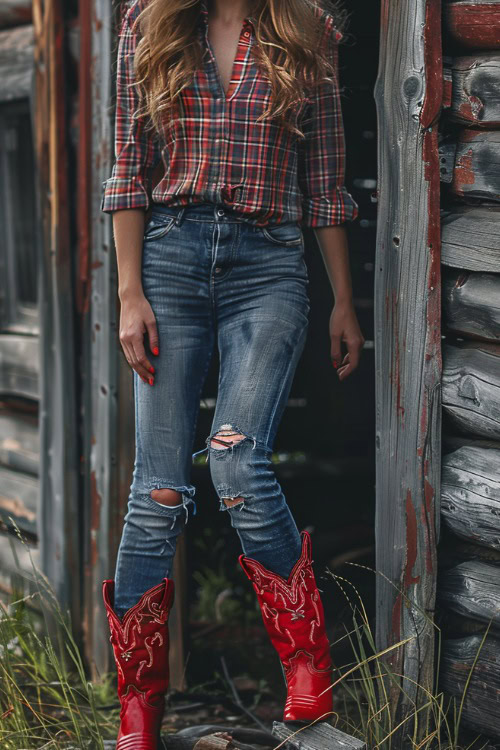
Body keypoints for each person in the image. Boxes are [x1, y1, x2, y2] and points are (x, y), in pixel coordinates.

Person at [100, 0, 364, 747]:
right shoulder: (146, 24)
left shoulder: (310, 29)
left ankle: (308, 669)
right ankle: (138, 710)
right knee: (157, 491)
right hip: (170, 261)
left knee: (237, 458)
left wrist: (344, 299)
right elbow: (128, 168)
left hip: (269, 265)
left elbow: (327, 180)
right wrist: (129, 294)